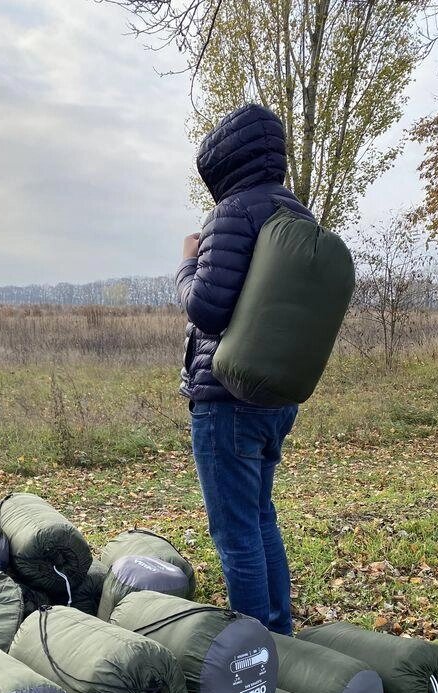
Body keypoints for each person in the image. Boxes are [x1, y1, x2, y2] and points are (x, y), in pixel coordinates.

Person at [176, 103, 314, 636]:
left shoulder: (233, 213)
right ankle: (279, 634)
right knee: (261, 519)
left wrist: (187, 261)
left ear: (224, 163)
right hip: (276, 398)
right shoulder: (295, 213)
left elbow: (207, 307)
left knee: (236, 533)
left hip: (226, 399)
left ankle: (256, 649)